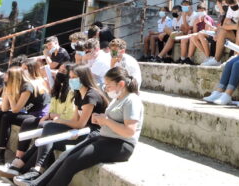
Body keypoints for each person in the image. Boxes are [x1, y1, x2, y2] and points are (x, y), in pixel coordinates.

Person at [14, 67, 143, 186]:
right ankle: (37, 183)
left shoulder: (132, 100)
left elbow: (129, 131)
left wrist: (106, 121)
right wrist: (100, 119)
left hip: (120, 145)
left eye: (108, 85)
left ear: (121, 84)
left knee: (72, 162)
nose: (106, 89)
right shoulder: (118, 99)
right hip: (104, 138)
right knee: (66, 155)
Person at [8, 65, 105, 183]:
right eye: (70, 77)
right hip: (80, 131)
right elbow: (75, 120)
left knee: (48, 134)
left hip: (91, 134)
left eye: (75, 77)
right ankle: (32, 171)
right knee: (48, 132)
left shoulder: (91, 96)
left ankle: (29, 169)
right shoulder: (78, 93)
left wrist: (60, 120)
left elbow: (80, 124)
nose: (71, 80)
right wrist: (59, 124)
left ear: (84, 78)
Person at [0, 65, 51, 166]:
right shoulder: (18, 86)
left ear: (14, 79)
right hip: (30, 115)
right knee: (0, 114)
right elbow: (5, 108)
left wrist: (9, 93)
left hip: (39, 117)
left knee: (7, 117)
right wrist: (6, 90)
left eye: (7, 81)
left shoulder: (27, 87)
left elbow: (15, 109)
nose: (6, 83)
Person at [200, 0, 239, 67]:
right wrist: (236, 26)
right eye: (230, 5)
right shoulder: (231, 8)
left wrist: (233, 25)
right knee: (221, 31)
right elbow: (224, 25)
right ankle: (216, 60)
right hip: (235, 31)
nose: (232, 6)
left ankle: (234, 57)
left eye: (233, 4)